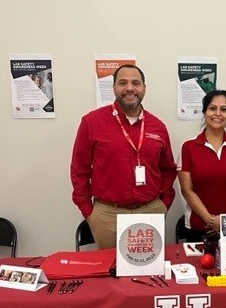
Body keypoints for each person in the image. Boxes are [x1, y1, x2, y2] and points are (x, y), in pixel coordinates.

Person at [71, 64, 177, 249]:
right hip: (108, 214)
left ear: (144, 87)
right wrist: (90, 212)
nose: (129, 88)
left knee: (148, 272)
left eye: (136, 83)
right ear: (113, 88)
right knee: (111, 273)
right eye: (123, 83)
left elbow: (168, 168)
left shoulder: (157, 126)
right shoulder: (92, 122)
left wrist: (163, 204)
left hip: (151, 210)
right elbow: (79, 170)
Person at [177, 89, 226, 242]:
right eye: (212, 108)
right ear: (204, 112)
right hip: (199, 228)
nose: (218, 113)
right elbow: (187, 190)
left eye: (224, 109)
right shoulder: (188, 147)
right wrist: (211, 220)